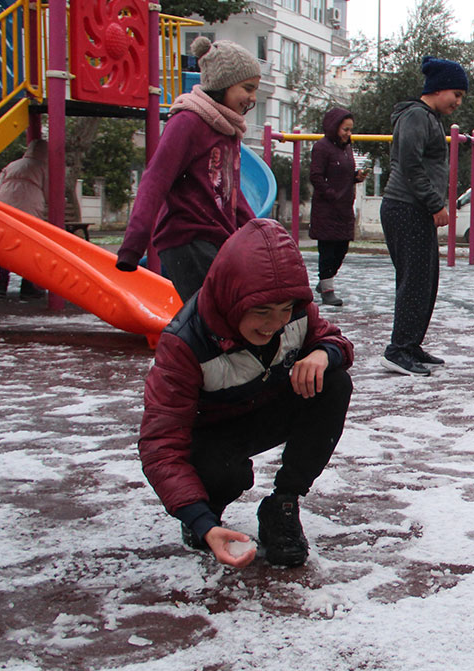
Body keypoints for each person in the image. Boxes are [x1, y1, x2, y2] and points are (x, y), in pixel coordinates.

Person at [139, 218, 354, 568]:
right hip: (210, 433)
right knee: (223, 474)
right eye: (261, 312)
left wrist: (323, 353)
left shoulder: (296, 314)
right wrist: (201, 522)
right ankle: (207, 510)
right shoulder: (185, 343)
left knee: (333, 382)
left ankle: (283, 505)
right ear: (231, 300)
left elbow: (335, 340)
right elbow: (159, 444)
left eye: (284, 310)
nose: (274, 324)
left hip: (264, 408)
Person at [115, 37, 260, 301]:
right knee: (218, 311)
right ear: (222, 85)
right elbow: (156, 179)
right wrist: (133, 244)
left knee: (230, 308)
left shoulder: (228, 129)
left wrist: (260, 232)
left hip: (216, 239)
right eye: (247, 88)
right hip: (187, 237)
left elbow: (230, 193)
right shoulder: (188, 122)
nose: (253, 98)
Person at [379, 56, 468, 377]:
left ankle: (411, 343)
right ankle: (397, 350)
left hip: (415, 209)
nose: (458, 102)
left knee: (426, 280)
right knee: (414, 281)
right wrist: (434, 204)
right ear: (439, 88)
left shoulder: (429, 118)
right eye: (456, 94)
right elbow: (410, 164)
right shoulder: (415, 116)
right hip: (405, 207)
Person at [309, 107, 368, 307]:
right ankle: (328, 289)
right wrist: (330, 194)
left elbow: (344, 175)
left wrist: (356, 177)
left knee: (342, 248)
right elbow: (316, 176)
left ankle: (325, 281)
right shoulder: (321, 147)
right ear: (334, 127)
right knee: (327, 250)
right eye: (345, 129)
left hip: (344, 208)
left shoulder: (346, 149)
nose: (348, 134)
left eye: (350, 130)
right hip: (327, 208)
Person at [0, 139, 48, 299]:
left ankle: (1, 284)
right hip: (30, 206)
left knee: (5, 244)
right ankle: (28, 285)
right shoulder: (42, 167)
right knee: (29, 245)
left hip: (5, 204)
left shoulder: (12, 165)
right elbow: (49, 191)